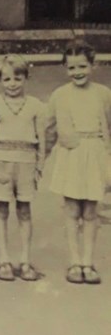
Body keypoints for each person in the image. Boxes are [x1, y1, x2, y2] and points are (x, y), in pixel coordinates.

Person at [45, 40, 111, 285]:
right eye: (72, 68)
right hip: (70, 156)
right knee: (72, 209)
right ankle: (74, 261)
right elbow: (48, 129)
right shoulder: (59, 95)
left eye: (82, 66)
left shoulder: (104, 94)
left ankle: (88, 262)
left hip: (95, 154)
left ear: (93, 65)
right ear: (65, 69)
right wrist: (41, 157)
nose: (77, 72)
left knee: (91, 211)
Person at [0, 55, 45, 281]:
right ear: (0, 80)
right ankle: (4, 259)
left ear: (26, 78)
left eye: (17, 79)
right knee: (1, 209)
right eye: (7, 79)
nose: (12, 84)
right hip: (3, 162)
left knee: (24, 210)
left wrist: (40, 163)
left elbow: (42, 137)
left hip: (27, 163)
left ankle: (25, 260)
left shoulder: (36, 106)